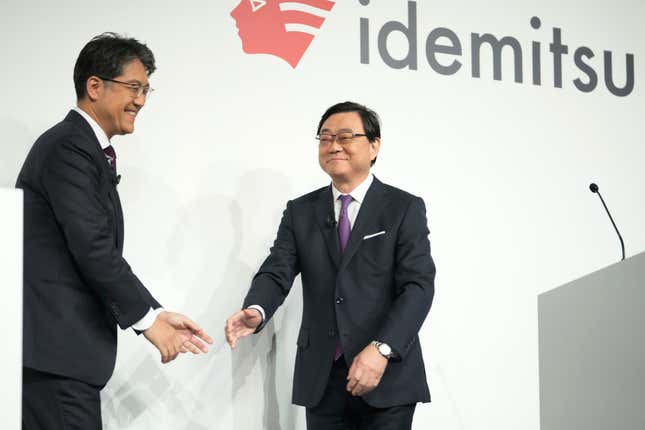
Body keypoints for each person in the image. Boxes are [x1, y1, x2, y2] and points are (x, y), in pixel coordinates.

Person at [16, 33, 212, 430]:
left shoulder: (82, 149)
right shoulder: (69, 148)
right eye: (134, 87)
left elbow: (99, 251)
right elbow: (92, 246)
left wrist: (155, 311)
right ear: (94, 86)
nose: (141, 100)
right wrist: (146, 322)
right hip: (56, 360)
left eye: (146, 90)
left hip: (62, 360)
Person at [226, 101, 435, 429]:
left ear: (374, 145)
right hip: (323, 378)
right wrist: (257, 308)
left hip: (386, 376)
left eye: (346, 136)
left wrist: (381, 349)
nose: (334, 145)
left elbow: (418, 287)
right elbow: (277, 269)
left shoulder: (403, 207)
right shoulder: (301, 211)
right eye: (325, 137)